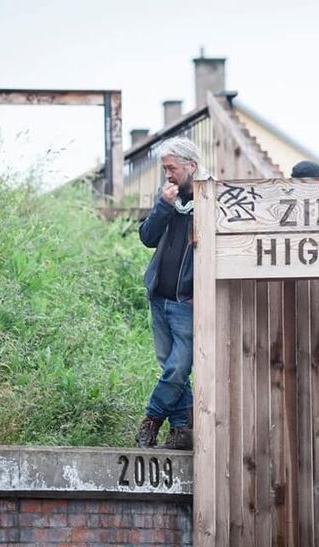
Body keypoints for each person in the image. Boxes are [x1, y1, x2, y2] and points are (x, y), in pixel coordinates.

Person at [136, 136, 199, 450]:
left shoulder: (209, 200)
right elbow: (147, 237)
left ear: (192, 167)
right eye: (165, 169)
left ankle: (151, 419)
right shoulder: (165, 198)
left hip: (187, 302)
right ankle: (181, 431)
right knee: (170, 366)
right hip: (159, 298)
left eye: (172, 168)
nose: (168, 175)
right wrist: (164, 205)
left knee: (178, 367)